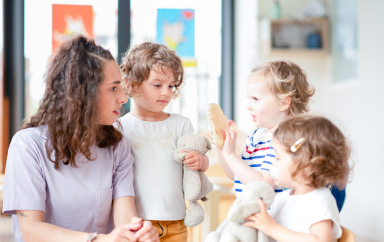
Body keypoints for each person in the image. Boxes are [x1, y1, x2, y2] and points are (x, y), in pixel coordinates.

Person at [2, 35, 158, 242]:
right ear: (82, 94)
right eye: (113, 88)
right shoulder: (27, 146)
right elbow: (31, 230)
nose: (123, 97)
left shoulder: (117, 146)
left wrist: (138, 233)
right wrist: (99, 240)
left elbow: (125, 221)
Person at [118, 42, 210, 242]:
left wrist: (200, 161)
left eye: (171, 86)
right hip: (136, 224)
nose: (166, 93)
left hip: (176, 223)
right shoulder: (120, 128)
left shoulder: (181, 124)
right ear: (131, 85)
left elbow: (201, 167)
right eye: (157, 85)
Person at [244, 115, 351, 242]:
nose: (273, 162)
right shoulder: (282, 199)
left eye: (278, 158)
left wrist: (272, 228)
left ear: (305, 166)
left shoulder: (320, 200)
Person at [218, 61, 315, 196]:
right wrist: (223, 149)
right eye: (249, 99)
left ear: (283, 103)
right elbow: (234, 174)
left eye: (256, 99)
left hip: (269, 216)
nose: (249, 106)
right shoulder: (257, 135)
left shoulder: (285, 139)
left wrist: (230, 156)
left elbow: (264, 184)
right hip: (249, 213)